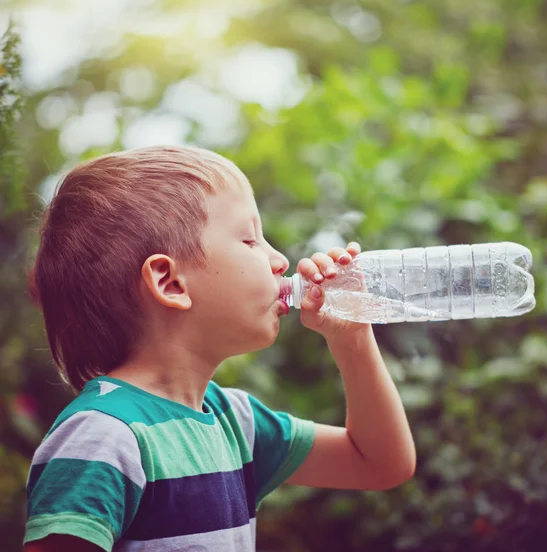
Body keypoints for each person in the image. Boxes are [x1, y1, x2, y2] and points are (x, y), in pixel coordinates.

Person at [23, 145, 416, 552]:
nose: (279, 260)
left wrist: (351, 339)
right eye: (249, 239)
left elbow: (380, 463)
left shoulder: (237, 423)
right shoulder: (103, 437)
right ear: (170, 283)